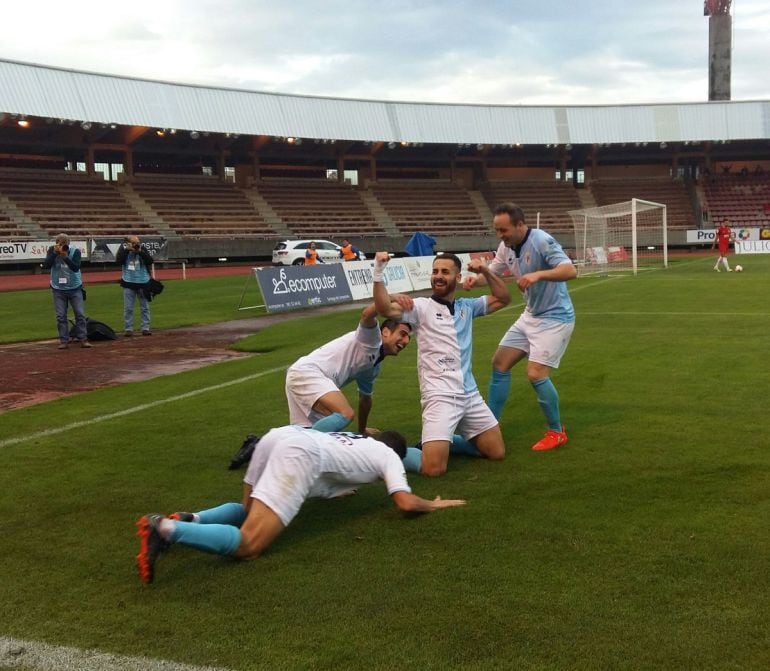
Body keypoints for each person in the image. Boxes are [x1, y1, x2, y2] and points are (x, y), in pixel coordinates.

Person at [135, 425, 466, 584]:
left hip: (281, 436)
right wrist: (434, 505)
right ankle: (166, 528)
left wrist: (335, 490)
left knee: (249, 512)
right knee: (249, 544)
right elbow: (405, 503)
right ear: (395, 452)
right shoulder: (387, 457)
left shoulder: (359, 440)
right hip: (301, 455)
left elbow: (336, 471)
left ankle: (191, 518)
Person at [373, 251, 510, 476]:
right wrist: (378, 271)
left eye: (445, 272)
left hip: (470, 395)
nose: (438, 276)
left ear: (457, 277)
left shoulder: (467, 306)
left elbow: (503, 298)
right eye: (435, 271)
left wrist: (485, 270)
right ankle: (382, 453)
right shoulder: (420, 307)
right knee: (433, 468)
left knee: (496, 452)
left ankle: (445, 442)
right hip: (440, 396)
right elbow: (384, 309)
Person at [463, 202, 577, 451]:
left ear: (520, 225)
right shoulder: (506, 247)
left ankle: (556, 432)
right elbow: (493, 274)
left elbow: (570, 270)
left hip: (555, 318)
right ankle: (490, 423)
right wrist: (475, 280)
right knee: (499, 363)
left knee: (536, 373)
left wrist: (538, 275)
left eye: (504, 230)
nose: (500, 236)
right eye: (497, 231)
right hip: (531, 316)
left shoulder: (541, 240)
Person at [286, 301, 412, 434]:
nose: (406, 341)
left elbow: (365, 399)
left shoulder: (373, 367)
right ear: (385, 332)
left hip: (302, 374)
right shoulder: (372, 338)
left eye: (408, 338)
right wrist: (389, 299)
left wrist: (362, 430)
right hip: (308, 373)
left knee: (308, 430)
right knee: (344, 414)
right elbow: (367, 315)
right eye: (402, 334)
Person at [41, 233, 92, 350]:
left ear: (68, 244)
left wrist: (65, 257)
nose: (62, 246)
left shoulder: (75, 251)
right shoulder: (52, 250)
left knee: (79, 314)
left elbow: (75, 268)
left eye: (64, 244)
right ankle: (64, 341)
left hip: (74, 287)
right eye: (60, 244)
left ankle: (83, 339)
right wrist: (55, 253)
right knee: (61, 316)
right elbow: (46, 265)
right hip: (58, 288)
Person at [116, 235, 155, 336]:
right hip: (129, 282)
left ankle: (145, 328)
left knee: (145, 307)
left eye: (137, 242)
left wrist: (140, 252)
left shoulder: (142, 249)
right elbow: (118, 261)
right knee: (128, 308)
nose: (136, 244)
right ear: (128, 243)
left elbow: (150, 261)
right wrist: (127, 250)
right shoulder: (123, 249)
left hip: (143, 282)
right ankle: (128, 329)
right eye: (134, 243)